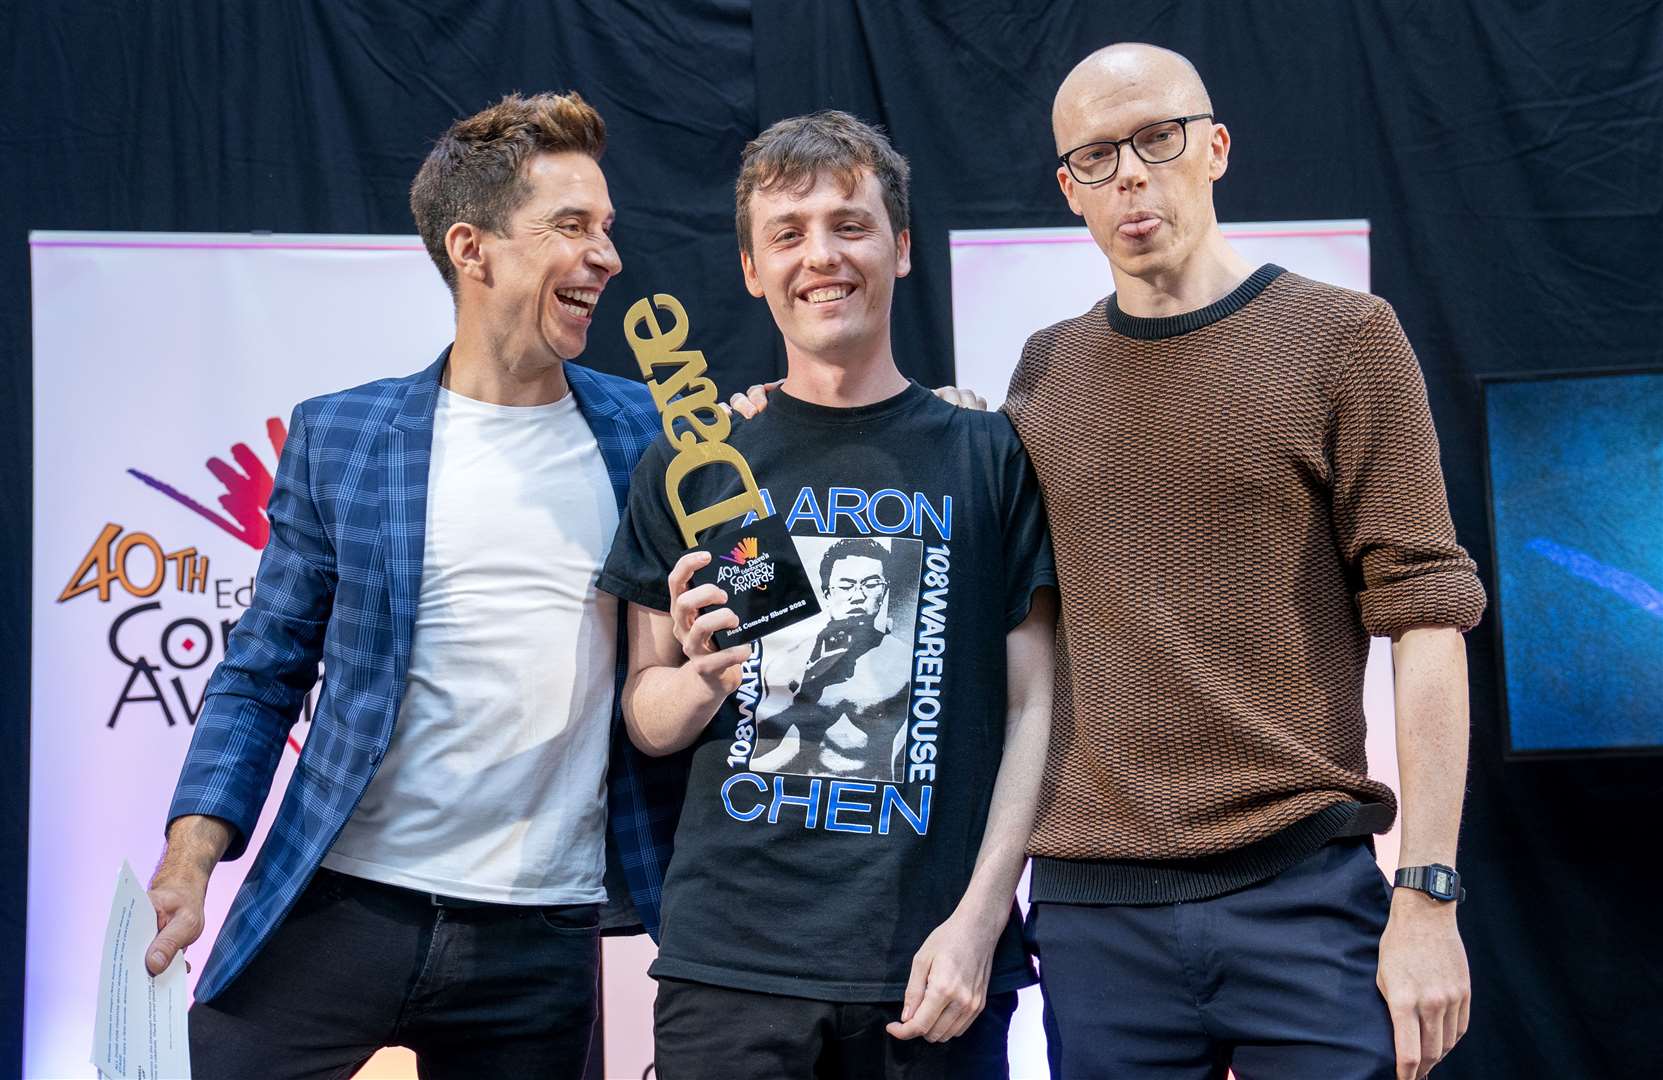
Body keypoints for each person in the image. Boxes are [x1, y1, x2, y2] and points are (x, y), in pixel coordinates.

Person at [143, 91, 688, 1079]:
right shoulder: (342, 438)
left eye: (606, 229)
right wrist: (189, 860)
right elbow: (263, 674)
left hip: (540, 939)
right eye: (571, 228)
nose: (606, 257)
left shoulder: (650, 436)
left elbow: (726, 622)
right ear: (473, 250)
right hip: (343, 901)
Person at [1004, 44, 1487, 1080]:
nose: (1130, 173)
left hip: (1302, 895)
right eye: (1096, 156)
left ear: (1213, 146)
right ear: (1068, 190)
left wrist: (1427, 892)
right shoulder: (1042, 371)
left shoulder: (1344, 338)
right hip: (1097, 914)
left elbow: (1428, 619)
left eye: (1155, 139)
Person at [599, 110, 1058, 1079]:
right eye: (788, 233)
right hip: (728, 967)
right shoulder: (701, 467)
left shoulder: (989, 454)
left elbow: (1035, 707)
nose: (822, 256)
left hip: (929, 964)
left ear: (899, 248)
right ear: (751, 268)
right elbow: (647, 717)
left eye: (850, 225)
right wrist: (701, 677)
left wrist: (982, 921)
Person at [750, 536, 913, 778]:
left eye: (870, 584)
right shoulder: (790, 661)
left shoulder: (903, 660)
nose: (858, 596)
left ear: (884, 589)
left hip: (873, 799)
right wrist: (809, 685)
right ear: (827, 592)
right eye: (846, 586)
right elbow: (762, 750)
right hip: (790, 794)